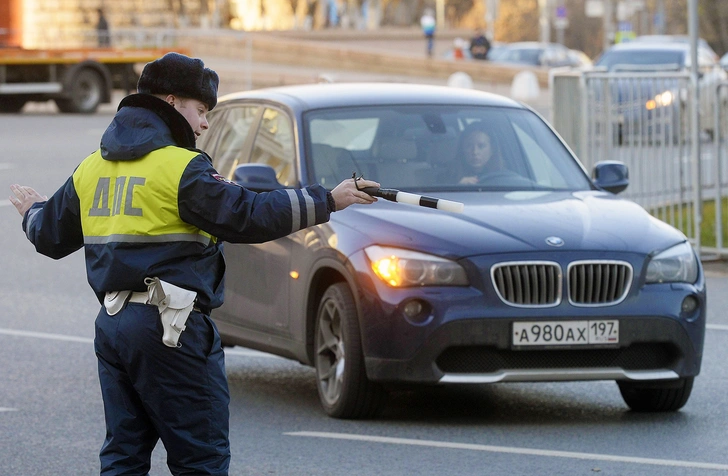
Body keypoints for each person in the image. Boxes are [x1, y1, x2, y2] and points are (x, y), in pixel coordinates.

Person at [8, 52, 379, 475]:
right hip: (173, 329)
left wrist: (33, 211)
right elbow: (247, 214)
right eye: (200, 110)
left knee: (123, 456)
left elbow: (50, 237)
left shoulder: (92, 169)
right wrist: (327, 200)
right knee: (201, 461)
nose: (204, 124)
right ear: (170, 102)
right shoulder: (182, 168)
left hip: (114, 328)